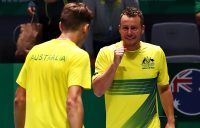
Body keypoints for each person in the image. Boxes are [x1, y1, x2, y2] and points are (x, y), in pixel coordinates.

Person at [92, 7, 175, 128]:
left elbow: (164, 89)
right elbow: (98, 91)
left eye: (134, 28)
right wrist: (114, 65)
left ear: (142, 29)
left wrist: (171, 121)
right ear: (119, 29)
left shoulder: (156, 52)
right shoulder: (106, 53)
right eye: (125, 28)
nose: (129, 33)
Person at [14, 2, 93, 128]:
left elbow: (19, 99)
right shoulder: (79, 56)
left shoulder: (35, 51)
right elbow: (72, 102)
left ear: (60, 26)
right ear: (86, 28)